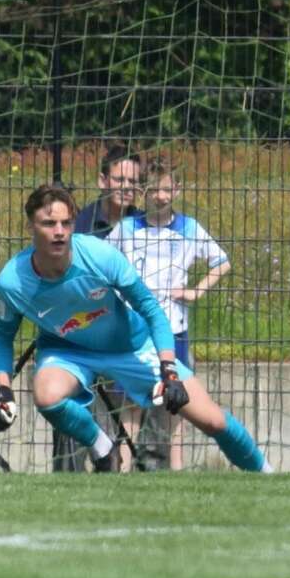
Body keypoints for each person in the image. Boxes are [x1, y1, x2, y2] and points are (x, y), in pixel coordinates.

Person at [0, 184, 270, 474]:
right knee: (46, 394)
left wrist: (169, 370)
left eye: (66, 222)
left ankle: (266, 475)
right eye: (48, 223)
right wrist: (4, 391)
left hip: (131, 346)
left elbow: (151, 310)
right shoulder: (11, 282)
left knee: (213, 421)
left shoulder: (100, 256)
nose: (59, 231)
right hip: (67, 351)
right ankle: (103, 450)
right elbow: (1, 337)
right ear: (30, 226)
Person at [107, 158, 232, 470]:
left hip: (173, 328)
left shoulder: (189, 228)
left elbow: (222, 262)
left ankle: (176, 469)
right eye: (152, 190)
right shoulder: (126, 228)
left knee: (177, 401)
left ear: (177, 190)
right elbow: (105, 263)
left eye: (166, 190)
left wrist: (196, 291)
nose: (160, 196)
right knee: (131, 402)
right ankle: (124, 467)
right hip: (133, 329)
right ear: (143, 192)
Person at [72, 145, 142, 238]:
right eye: (119, 180)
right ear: (102, 181)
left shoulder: (143, 222)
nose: (126, 187)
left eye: (132, 181)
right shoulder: (81, 223)